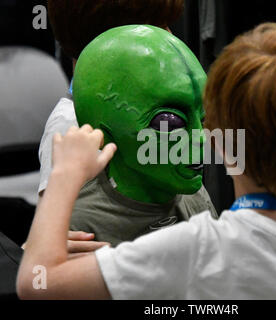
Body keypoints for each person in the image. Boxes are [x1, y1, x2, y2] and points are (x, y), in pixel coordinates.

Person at [17, 23, 276, 299]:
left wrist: (63, 177)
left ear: (222, 140)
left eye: (204, 118)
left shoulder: (198, 249)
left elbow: (37, 281)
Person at [38, 0, 217, 247]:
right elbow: (53, 230)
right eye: (155, 27)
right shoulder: (70, 124)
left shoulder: (190, 191)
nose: (169, 37)